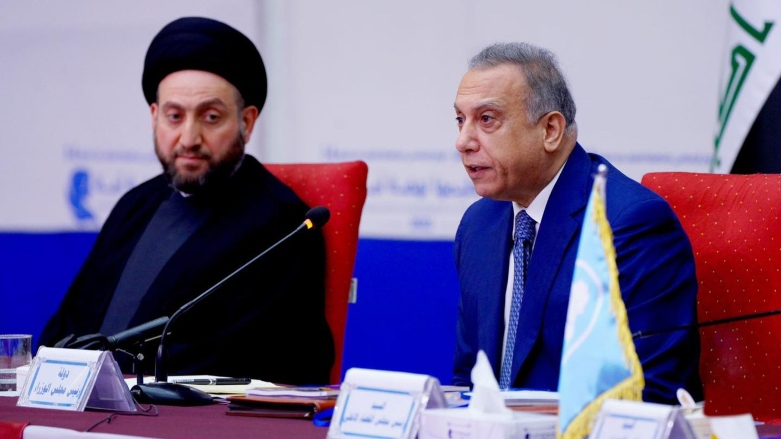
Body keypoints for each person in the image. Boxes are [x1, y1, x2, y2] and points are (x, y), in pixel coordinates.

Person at [40, 17, 334, 385]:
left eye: (211, 117)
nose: (189, 137)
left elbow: (264, 361)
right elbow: (66, 329)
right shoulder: (135, 205)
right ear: (154, 117)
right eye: (174, 116)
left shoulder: (282, 225)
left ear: (247, 121)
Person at [451, 42, 702, 404]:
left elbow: (651, 393)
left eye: (486, 119)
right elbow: (468, 377)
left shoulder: (629, 224)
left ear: (550, 130)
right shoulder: (480, 225)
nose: (462, 141)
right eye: (460, 120)